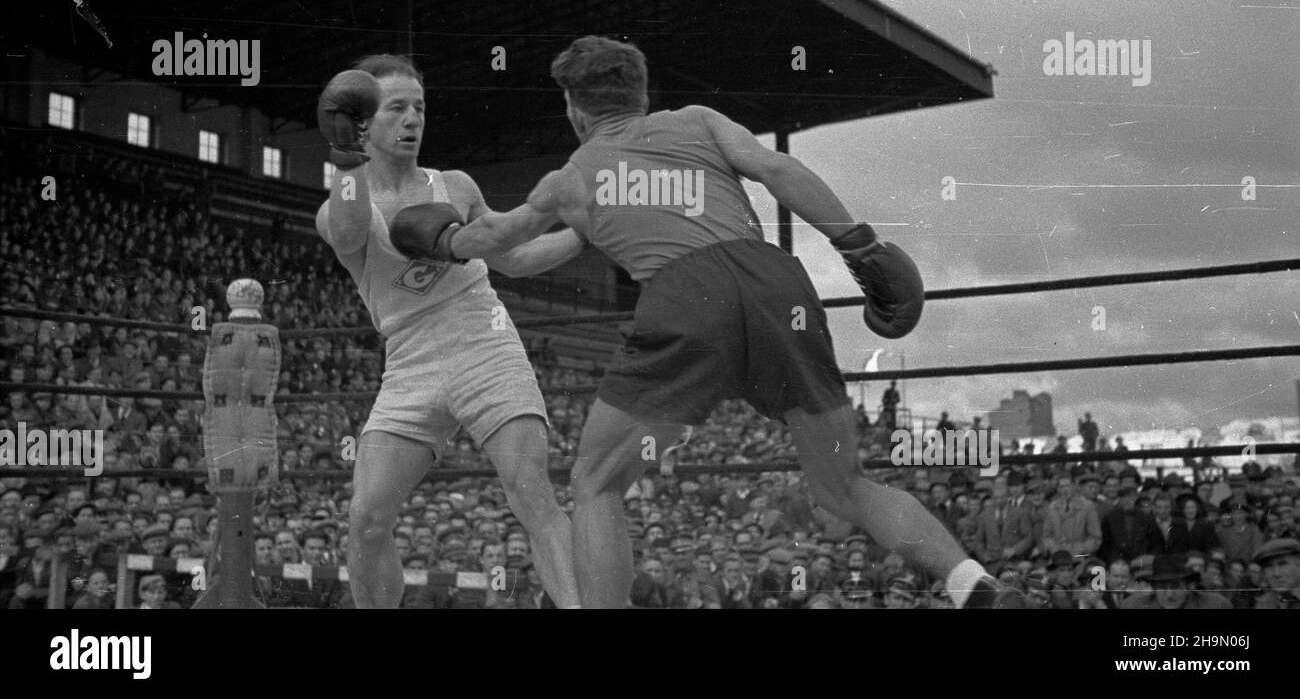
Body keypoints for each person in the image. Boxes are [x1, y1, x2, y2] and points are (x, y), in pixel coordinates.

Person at [438, 35, 1020, 608]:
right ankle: (972, 584)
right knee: (845, 487)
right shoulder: (698, 121)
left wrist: (440, 239)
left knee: (596, 485)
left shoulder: (571, 180)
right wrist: (858, 245)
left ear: (573, 108)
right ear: (641, 95)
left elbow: (502, 245)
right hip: (776, 285)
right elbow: (777, 168)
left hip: (686, 297)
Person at [314, 55, 582, 609]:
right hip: (410, 361)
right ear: (362, 119)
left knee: (531, 492)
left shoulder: (454, 184)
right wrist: (345, 160)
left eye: (420, 107)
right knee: (366, 517)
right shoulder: (344, 204)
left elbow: (517, 257)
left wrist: (588, 233)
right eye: (396, 108)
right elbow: (345, 231)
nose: (413, 119)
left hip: (484, 341)